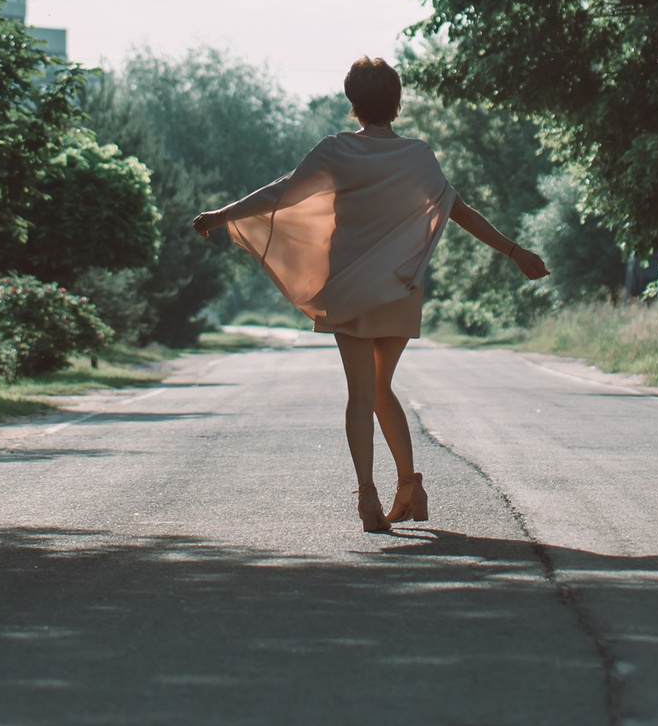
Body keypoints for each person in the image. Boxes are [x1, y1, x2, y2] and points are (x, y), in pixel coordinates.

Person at [193, 56, 549, 532]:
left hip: (350, 288)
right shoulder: (418, 155)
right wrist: (515, 251)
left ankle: (369, 495)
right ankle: (410, 486)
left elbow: (282, 194)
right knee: (382, 388)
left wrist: (220, 215)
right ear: (397, 103)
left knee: (361, 393)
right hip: (400, 288)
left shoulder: (335, 150)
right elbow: (458, 211)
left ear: (352, 105)